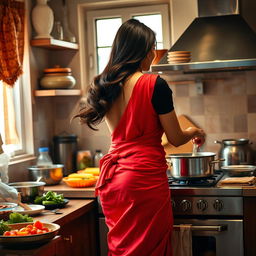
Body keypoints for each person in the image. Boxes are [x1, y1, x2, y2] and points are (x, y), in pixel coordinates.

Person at [74, 19, 205, 256]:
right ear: (142, 51)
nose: (153, 55)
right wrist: (194, 131)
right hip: (144, 181)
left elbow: (123, 136)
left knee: (124, 250)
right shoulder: (155, 84)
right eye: (152, 48)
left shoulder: (105, 84)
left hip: (115, 180)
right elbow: (175, 138)